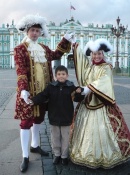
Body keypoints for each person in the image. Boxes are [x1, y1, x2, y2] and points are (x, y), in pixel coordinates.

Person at [14, 14, 74, 172]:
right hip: (28, 93)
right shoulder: (20, 49)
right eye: (32, 30)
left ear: (41, 33)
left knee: (38, 120)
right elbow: (21, 71)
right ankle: (25, 155)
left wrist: (65, 40)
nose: (35, 33)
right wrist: (23, 89)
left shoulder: (44, 49)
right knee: (26, 123)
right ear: (27, 31)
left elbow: (56, 55)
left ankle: (34, 145)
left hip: (44, 93)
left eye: (37, 31)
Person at [69, 38, 130, 169]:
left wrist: (88, 88)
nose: (96, 56)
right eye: (94, 54)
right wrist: (75, 45)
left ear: (103, 54)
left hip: (102, 105)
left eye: (99, 53)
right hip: (87, 104)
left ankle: (106, 156)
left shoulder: (106, 67)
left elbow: (104, 81)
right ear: (91, 55)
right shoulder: (90, 67)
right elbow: (81, 63)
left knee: (104, 129)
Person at [27, 65, 83, 165]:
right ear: (56, 76)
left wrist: (79, 92)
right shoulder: (51, 86)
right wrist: (33, 101)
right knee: (55, 137)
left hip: (66, 117)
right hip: (54, 117)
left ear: (67, 75)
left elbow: (77, 99)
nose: (61, 76)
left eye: (63, 74)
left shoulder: (71, 87)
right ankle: (57, 154)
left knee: (65, 138)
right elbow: (43, 95)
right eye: (59, 74)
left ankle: (64, 156)